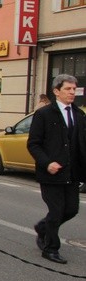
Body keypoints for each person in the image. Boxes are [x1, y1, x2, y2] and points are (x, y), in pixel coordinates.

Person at [27, 74, 85, 265]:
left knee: (71, 210)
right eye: (68, 89)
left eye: (74, 89)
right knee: (57, 210)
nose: (72, 92)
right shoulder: (44, 114)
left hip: (72, 173)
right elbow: (33, 144)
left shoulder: (79, 115)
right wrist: (47, 162)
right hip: (51, 173)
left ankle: (43, 227)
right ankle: (51, 248)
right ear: (56, 91)